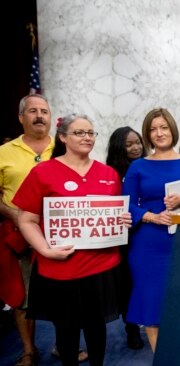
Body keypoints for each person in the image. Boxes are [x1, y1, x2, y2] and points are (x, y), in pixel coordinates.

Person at [13, 113, 132, 366]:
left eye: (90, 133)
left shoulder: (109, 174)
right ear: (64, 137)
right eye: (79, 132)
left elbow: (114, 215)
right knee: (65, 330)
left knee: (96, 327)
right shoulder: (43, 172)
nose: (87, 137)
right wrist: (45, 250)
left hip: (102, 267)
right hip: (59, 267)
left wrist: (122, 221)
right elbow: (27, 219)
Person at [123, 107, 180, 352]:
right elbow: (126, 203)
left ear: (172, 130)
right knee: (152, 304)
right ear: (148, 135)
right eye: (153, 129)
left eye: (164, 127)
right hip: (147, 245)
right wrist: (151, 217)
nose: (159, 133)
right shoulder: (137, 166)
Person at [0, 94, 54, 366]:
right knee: (22, 297)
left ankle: (62, 344)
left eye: (44, 111)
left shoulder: (64, 147)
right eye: (33, 111)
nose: (39, 116)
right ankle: (28, 350)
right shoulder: (3, 153)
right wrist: (16, 216)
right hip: (18, 234)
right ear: (21, 117)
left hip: (59, 233)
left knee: (62, 292)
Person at [105, 126, 146, 350]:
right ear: (119, 147)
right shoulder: (109, 173)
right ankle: (131, 329)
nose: (136, 147)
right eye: (129, 144)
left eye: (138, 142)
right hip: (121, 239)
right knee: (127, 285)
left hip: (145, 231)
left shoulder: (149, 165)